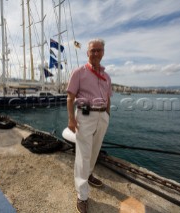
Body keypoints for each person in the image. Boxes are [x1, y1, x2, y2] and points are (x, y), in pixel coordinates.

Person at [66, 38, 112, 213]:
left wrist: (107, 116)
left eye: (99, 50)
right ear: (87, 53)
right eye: (92, 50)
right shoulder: (79, 72)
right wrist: (71, 119)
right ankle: (82, 195)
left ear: (103, 53)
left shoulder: (107, 76)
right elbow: (70, 97)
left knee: (95, 150)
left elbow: (107, 98)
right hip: (85, 112)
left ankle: (89, 173)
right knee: (83, 154)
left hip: (102, 115)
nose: (95, 53)